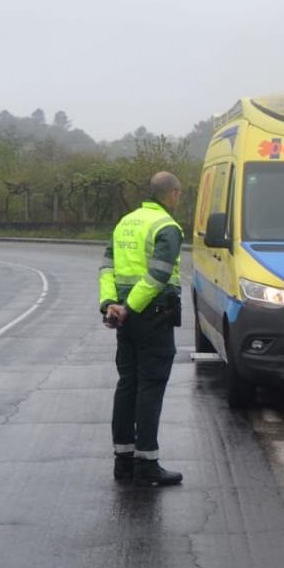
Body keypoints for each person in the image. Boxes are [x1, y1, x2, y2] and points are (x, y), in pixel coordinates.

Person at [99, 171, 187, 487]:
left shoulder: (126, 222)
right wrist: (131, 306)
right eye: (179, 194)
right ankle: (147, 462)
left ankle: (123, 462)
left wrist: (111, 303)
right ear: (173, 194)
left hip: (124, 316)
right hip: (152, 315)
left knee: (128, 383)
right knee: (151, 385)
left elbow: (107, 267)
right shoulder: (166, 227)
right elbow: (159, 275)